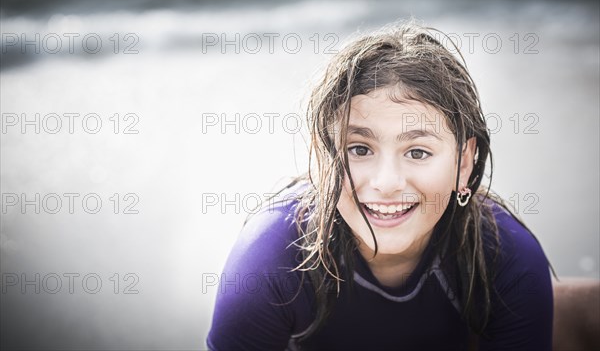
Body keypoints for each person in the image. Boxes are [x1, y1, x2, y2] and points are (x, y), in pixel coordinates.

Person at [207, 21, 554, 350]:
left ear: (464, 163)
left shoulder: (506, 260)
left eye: (418, 152)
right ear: (319, 158)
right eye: (359, 149)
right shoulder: (273, 262)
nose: (387, 183)